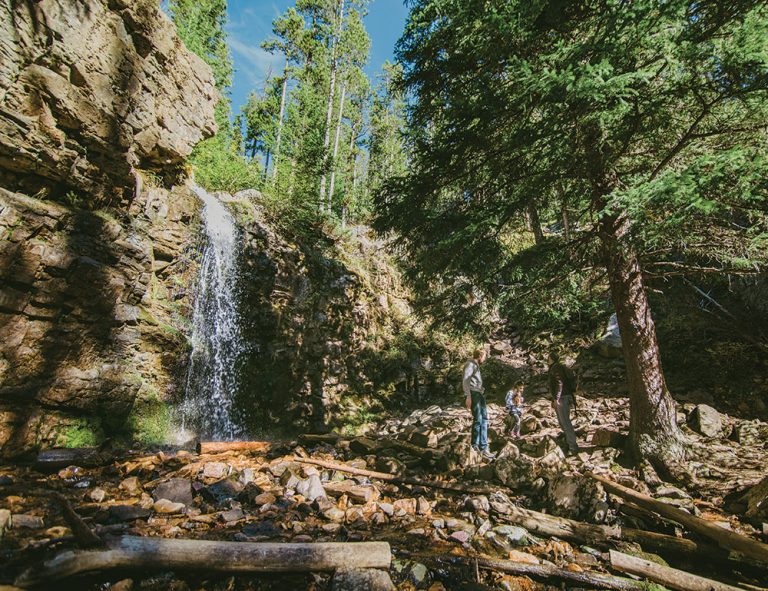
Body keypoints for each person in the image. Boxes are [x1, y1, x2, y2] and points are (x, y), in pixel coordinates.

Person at [463, 348, 495, 459]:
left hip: (479, 393)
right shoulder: (470, 364)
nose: (485, 358)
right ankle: (475, 445)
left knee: (484, 419)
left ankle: (484, 446)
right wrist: (468, 396)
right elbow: (466, 380)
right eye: (485, 356)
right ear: (480, 356)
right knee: (478, 419)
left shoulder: (475, 366)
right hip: (474, 394)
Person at [547, 351, 579, 454]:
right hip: (564, 397)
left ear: (552, 358)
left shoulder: (555, 368)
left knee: (565, 423)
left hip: (563, 398)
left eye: (548, 358)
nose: (547, 360)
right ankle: (569, 444)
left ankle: (573, 448)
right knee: (563, 422)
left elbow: (559, 383)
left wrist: (556, 398)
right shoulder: (558, 367)